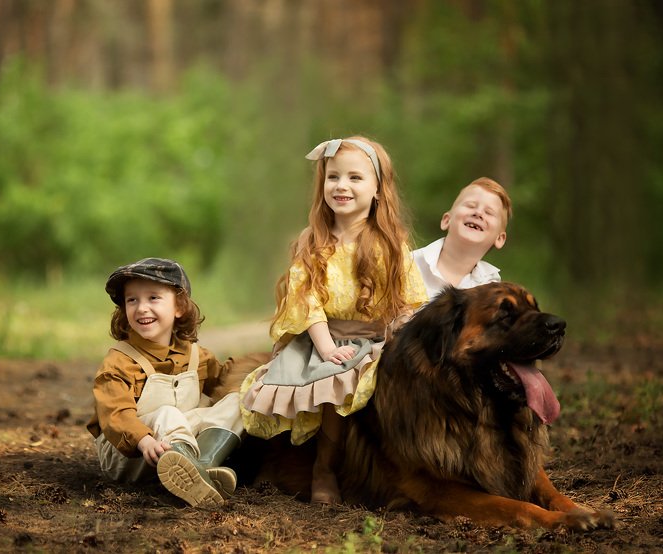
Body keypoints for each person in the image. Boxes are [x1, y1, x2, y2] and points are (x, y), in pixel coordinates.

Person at [240, 136, 428, 505]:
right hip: (325, 339)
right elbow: (306, 300)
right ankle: (323, 470)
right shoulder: (313, 241)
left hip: (376, 341)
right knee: (332, 379)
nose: (341, 186)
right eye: (333, 177)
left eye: (355, 178)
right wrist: (326, 347)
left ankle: (401, 469)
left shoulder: (389, 243)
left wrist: (399, 337)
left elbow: (408, 302)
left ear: (377, 190)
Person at [86, 257, 243, 508]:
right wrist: (143, 439)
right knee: (168, 413)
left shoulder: (196, 356)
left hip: (173, 450)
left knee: (237, 400)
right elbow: (115, 414)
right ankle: (194, 472)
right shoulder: (120, 362)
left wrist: (260, 372)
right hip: (129, 453)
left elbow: (224, 381)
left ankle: (202, 467)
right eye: (132, 300)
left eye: (153, 298)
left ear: (179, 306)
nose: (141, 308)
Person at [412, 177, 513, 299]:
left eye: (489, 212)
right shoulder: (409, 264)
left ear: (500, 239)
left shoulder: (491, 292)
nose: (478, 213)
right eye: (470, 206)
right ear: (446, 220)